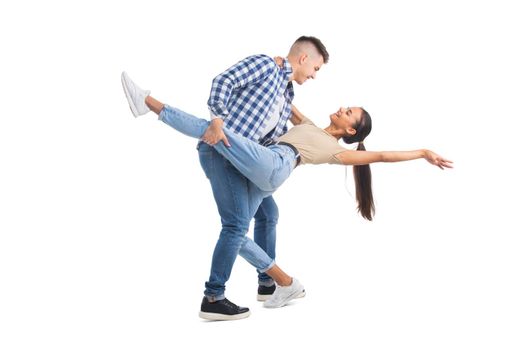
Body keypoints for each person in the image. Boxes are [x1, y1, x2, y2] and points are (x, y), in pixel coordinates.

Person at [121, 72, 453, 317]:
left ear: (350, 130)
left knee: (219, 132)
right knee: (252, 222)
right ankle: (272, 281)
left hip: (275, 164)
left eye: (348, 111)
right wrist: (278, 68)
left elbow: (380, 156)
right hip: (268, 173)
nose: (342, 107)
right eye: (347, 106)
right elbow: (285, 96)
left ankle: (149, 104)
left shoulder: (337, 151)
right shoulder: (312, 126)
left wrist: (423, 151)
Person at [131, 36, 329, 321]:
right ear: (303, 59)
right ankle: (214, 296)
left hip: (244, 163)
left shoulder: (287, 98)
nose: (314, 76)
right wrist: (218, 120)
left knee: (269, 213)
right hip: (221, 152)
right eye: (316, 68)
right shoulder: (266, 65)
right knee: (235, 225)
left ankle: (266, 282)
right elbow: (223, 81)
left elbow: (273, 138)